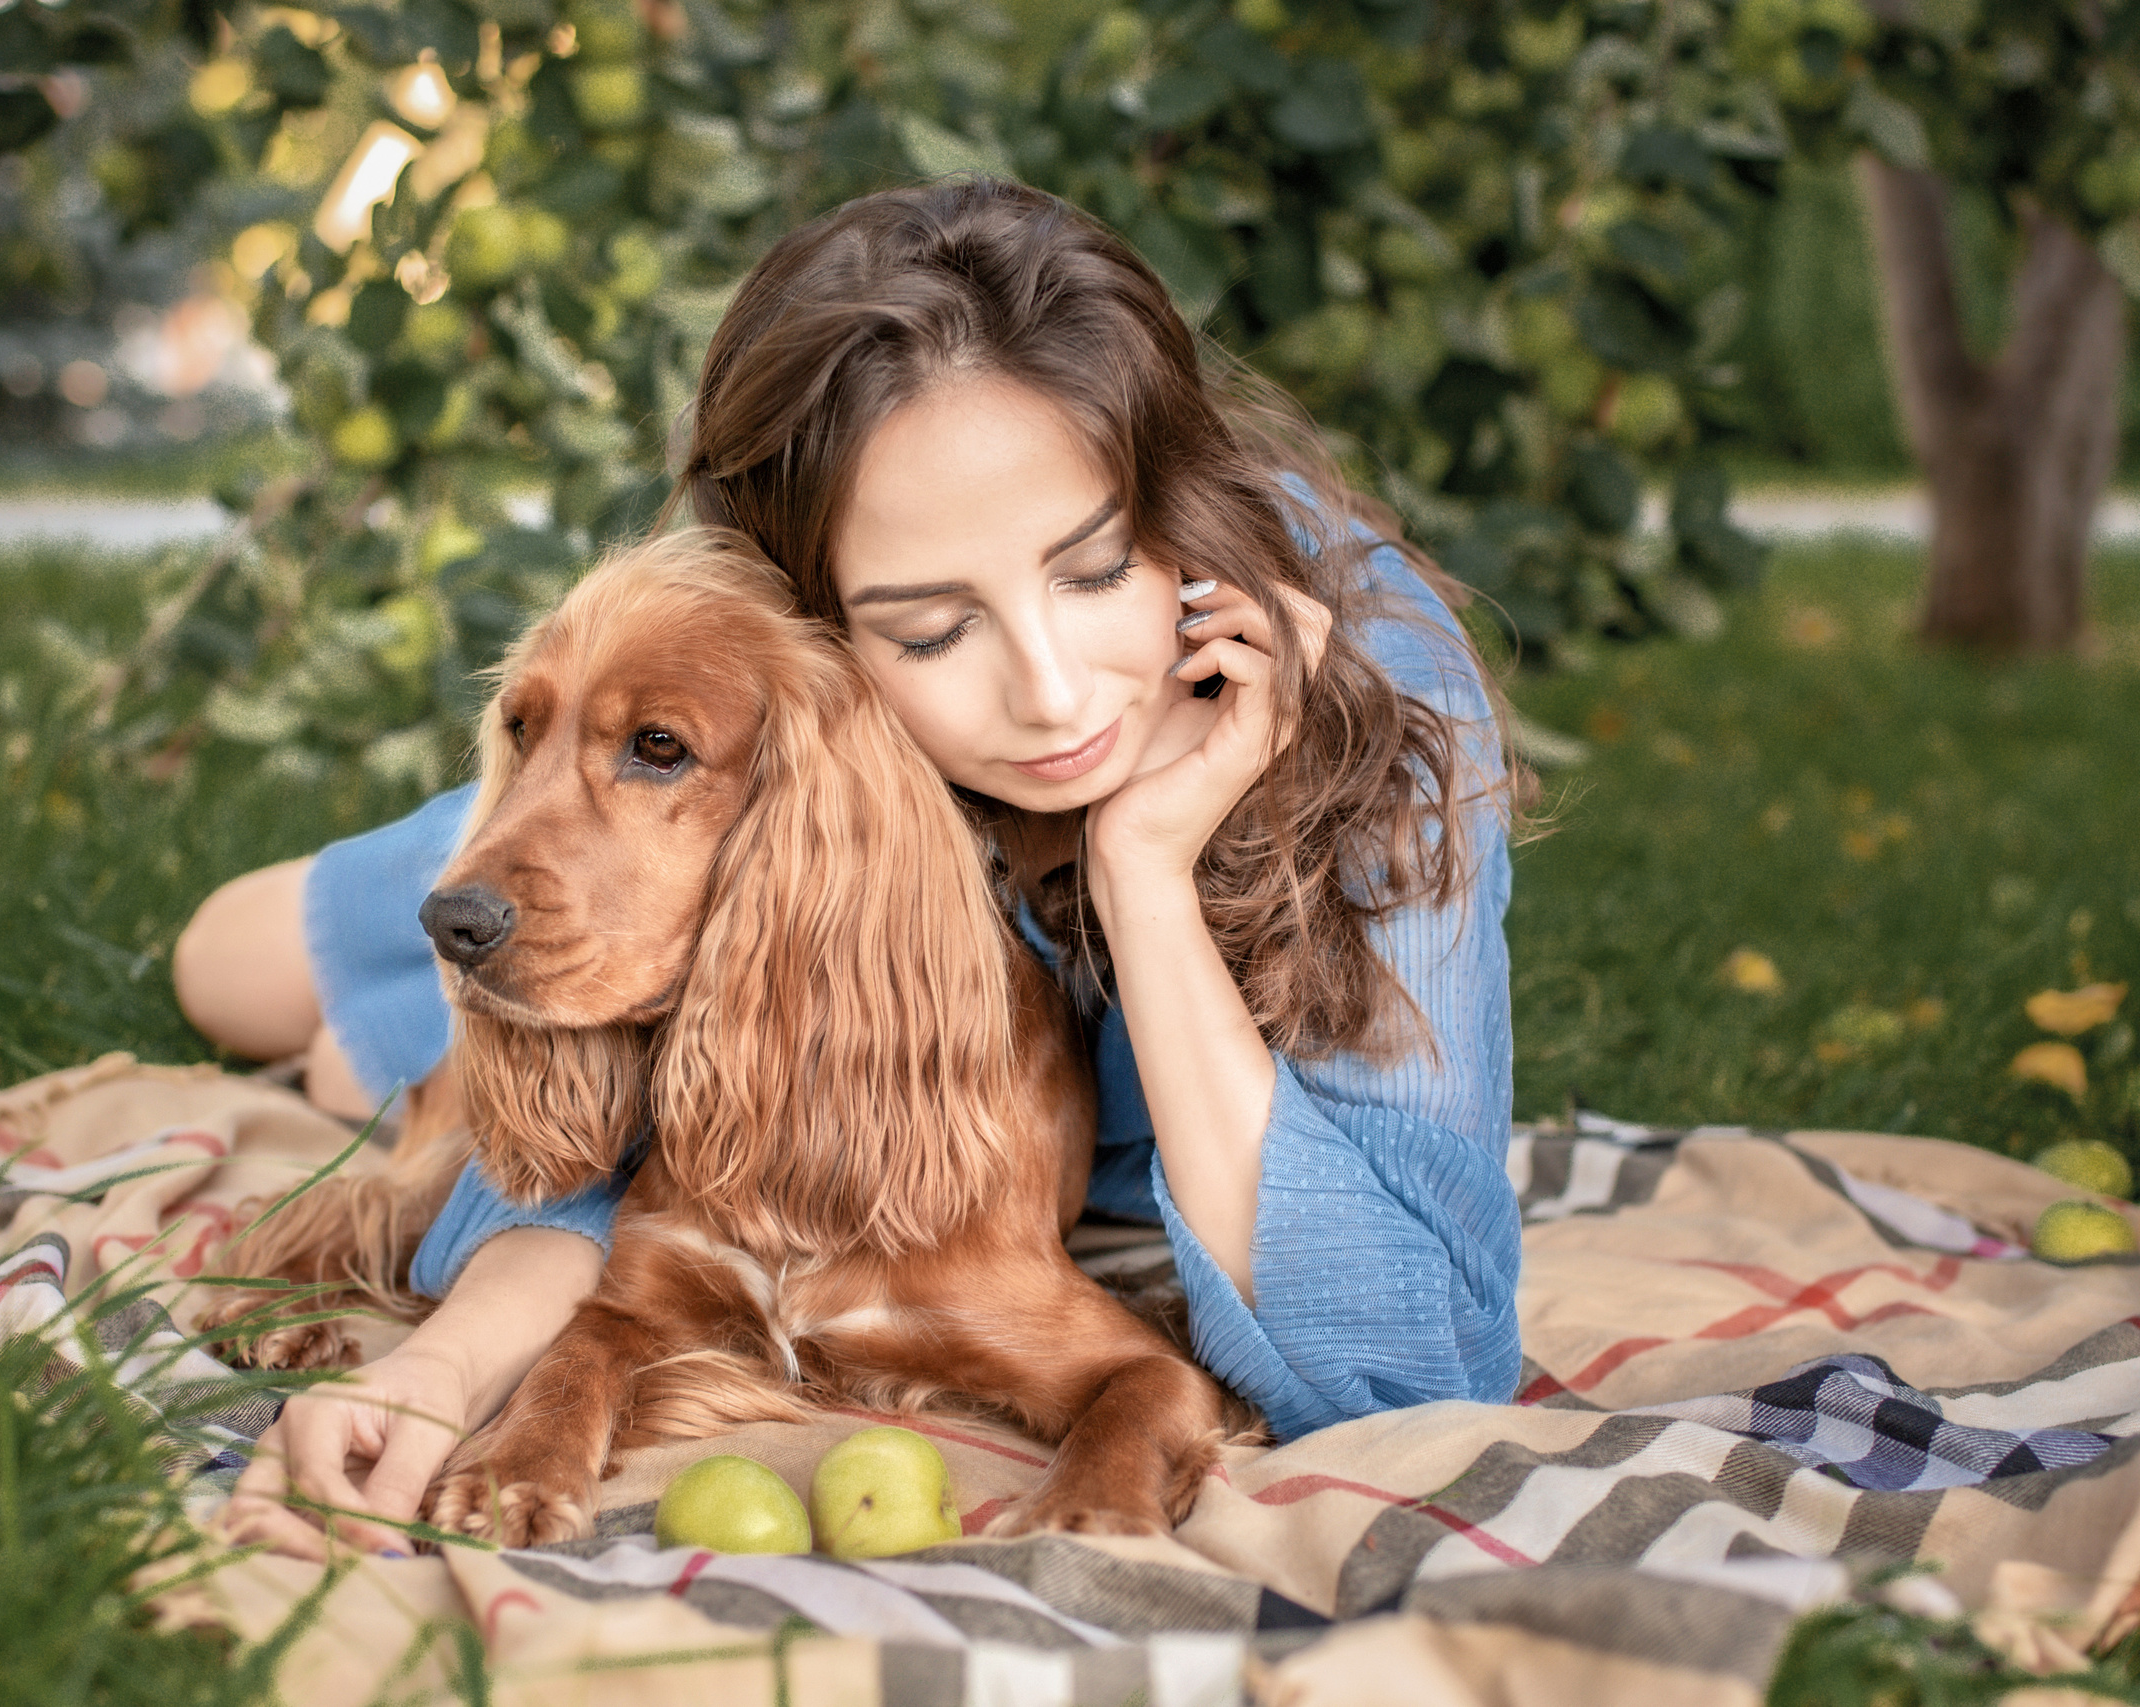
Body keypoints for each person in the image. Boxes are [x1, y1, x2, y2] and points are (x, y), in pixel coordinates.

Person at [208, 177, 1524, 1560]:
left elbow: (1409, 1367)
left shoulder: (1381, 699)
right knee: (237, 967)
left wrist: (1144, 876)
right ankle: (371, 1001)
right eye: (932, 627)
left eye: (1089, 570)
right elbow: (602, 1159)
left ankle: (387, 1051)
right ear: (823, 628)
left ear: (1177, 510)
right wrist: (438, 1374)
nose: (1055, 694)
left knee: (392, 1037)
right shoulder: (797, 713)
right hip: (671, 818)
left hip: (734, 831)